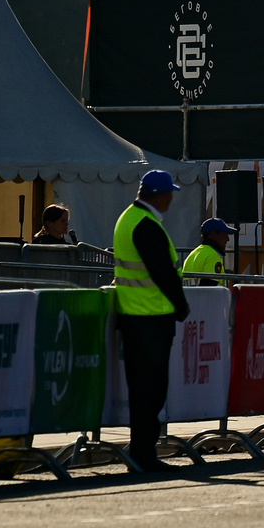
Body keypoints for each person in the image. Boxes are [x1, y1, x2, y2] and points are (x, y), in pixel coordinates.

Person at [111, 169, 190, 470]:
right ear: (160, 195)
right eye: (170, 194)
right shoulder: (146, 225)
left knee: (142, 388)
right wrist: (180, 305)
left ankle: (141, 451)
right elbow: (163, 272)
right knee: (151, 389)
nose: (171, 199)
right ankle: (143, 454)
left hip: (135, 315)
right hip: (151, 317)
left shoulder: (128, 218)